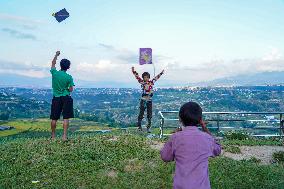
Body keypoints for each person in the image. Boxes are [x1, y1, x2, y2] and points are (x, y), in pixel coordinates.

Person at [160, 102, 221, 189]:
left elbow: (165, 157)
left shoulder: (175, 138)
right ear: (200, 119)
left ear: (180, 119)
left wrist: (172, 138)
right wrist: (205, 128)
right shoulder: (207, 138)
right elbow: (217, 150)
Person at [50, 51, 75, 141]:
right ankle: (64, 136)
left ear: (60, 65)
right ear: (68, 67)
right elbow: (71, 89)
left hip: (56, 97)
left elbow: (53, 63)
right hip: (66, 97)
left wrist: (56, 55)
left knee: (54, 118)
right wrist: (67, 90)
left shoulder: (55, 73)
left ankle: (53, 136)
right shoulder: (69, 77)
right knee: (66, 117)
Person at [131, 66, 164, 133]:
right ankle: (139, 127)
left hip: (149, 100)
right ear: (143, 78)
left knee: (149, 114)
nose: (145, 78)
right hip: (143, 99)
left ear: (148, 77)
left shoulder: (151, 82)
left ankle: (148, 127)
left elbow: (156, 78)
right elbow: (137, 77)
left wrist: (161, 73)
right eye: (144, 77)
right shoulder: (142, 82)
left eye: (147, 77)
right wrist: (133, 71)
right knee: (141, 113)